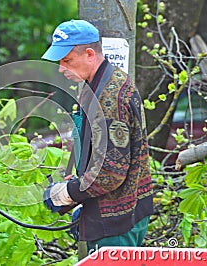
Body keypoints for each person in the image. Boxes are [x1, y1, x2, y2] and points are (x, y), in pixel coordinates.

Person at [42, 19, 154, 256]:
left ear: (90, 54)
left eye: (67, 60)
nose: (62, 69)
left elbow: (111, 173)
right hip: (110, 213)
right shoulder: (93, 85)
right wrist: (77, 181)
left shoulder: (110, 98)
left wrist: (68, 193)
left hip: (118, 222)